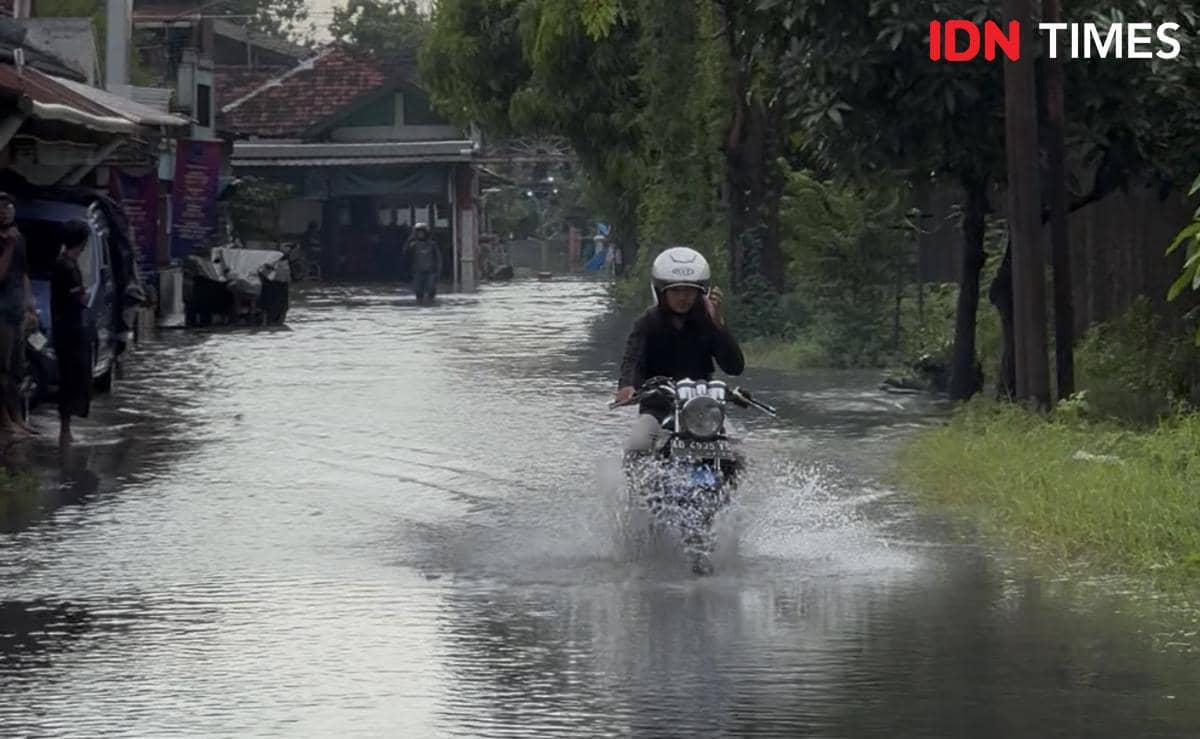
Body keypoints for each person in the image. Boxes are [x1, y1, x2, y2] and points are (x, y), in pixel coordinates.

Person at [615, 246, 745, 454]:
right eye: (676, 290)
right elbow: (633, 359)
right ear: (661, 291)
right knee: (638, 444)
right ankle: (638, 487)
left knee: (737, 450)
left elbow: (734, 367)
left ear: (700, 292)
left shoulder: (707, 321)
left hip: (703, 408)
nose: (683, 297)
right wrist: (627, 386)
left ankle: (733, 486)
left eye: (689, 290)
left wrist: (719, 325)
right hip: (657, 408)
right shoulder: (647, 323)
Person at [51, 220, 94, 447]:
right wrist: (82, 296)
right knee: (72, 379)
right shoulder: (66, 267)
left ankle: (66, 431)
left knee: (72, 378)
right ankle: (65, 432)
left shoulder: (66, 263)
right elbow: (80, 297)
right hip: (71, 330)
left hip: (68, 328)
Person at [0, 193, 38, 438]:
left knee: (16, 370)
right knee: (1, 370)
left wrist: (29, 307)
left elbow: (23, 274)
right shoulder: (8, 242)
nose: (3, 211)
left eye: (7, 207)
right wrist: (10, 246)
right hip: (1, 313)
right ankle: (4, 420)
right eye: (0, 208)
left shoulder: (20, 238)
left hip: (16, 312)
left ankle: (17, 417)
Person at [405, 222, 441, 305]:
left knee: (431, 290)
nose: (420, 234)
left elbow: (438, 258)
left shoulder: (432, 245)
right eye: (418, 233)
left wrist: (438, 272)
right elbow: (406, 253)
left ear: (426, 233)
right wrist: (410, 239)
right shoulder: (412, 245)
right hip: (417, 272)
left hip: (431, 272)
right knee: (418, 292)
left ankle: (431, 303)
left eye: (422, 232)